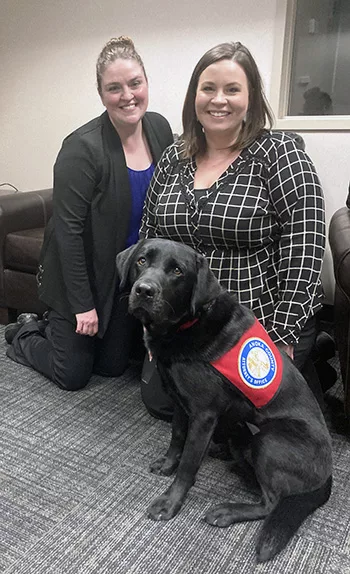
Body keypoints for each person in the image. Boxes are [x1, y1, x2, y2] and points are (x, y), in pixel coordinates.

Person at [139, 41, 329, 419]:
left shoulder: (280, 155)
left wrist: (282, 336)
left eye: (232, 89)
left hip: (255, 321)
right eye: (208, 88)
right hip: (186, 323)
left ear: (252, 97)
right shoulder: (173, 158)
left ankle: (308, 355)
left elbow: (304, 250)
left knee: (237, 418)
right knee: (162, 403)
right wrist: (153, 322)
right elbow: (150, 236)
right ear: (195, 94)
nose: (218, 100)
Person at [5, 36, 173, 390]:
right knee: (73, 375)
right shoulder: (82, 148)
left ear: (146, 83)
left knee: (112, 367)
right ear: (101, 95)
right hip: (80, 278)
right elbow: (67, 233)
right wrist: (83, 306)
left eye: (135, 83)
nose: (127, 95)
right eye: (114, 88)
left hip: (122, 277)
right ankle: (25, 331)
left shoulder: (159, 128)